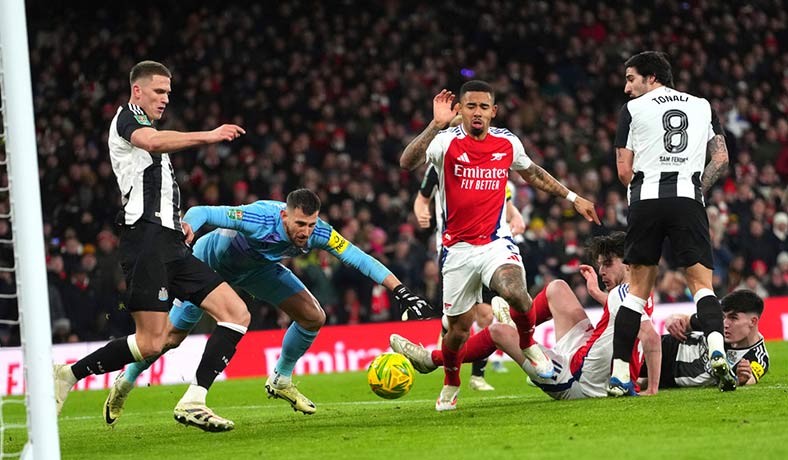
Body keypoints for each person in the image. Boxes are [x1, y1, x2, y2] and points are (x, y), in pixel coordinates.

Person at [103, 188, 434, 424]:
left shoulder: (320, 232)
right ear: (284, 215)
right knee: (169, 338)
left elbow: (358, 258)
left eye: (311, 224)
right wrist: (187, 228)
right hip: (209, 262)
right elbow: (207, 212)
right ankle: (126, 380)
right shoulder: (260, 216)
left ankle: (280, 379)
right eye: (299, 224)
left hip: (256, 270)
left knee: (312, 316)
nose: (306, 232)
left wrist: (401, 290)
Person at [53, 60, 251, 432]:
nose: (164, 99)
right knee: (151, 343)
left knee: (236, 313)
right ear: (137, 91)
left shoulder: (147, 128)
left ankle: (194, 400)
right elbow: (154, 141)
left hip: (171, 242)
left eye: (168, 94)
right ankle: (68, 374)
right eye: (159, 92)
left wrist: (179, 224)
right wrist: (210, 135)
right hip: (144, 241)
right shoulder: (127, 119)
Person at [399, 80, 600, 410]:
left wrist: (573, 197)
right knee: (458, 331)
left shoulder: (507, 143)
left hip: (495, 242)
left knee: (515, 292)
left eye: (483, 107)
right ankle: (451, 381)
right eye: (471, 106)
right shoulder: (446, 142)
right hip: (457, 251)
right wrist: (434, 125)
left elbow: (533, 173)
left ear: (494, 111)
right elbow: (408, 162)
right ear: (460, 110)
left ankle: (528, 345)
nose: (477, 112)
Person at [392, 231, 662, 399]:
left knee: (498, 332)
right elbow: (628, 319)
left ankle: (431, 359)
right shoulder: (637, 292)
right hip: (582, 354)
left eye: (607, 264)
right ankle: (519, 324)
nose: (601, 271)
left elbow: (650, 337)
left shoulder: (623, 294)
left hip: (577, 381)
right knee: (557, 288)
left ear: (627, 265)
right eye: (600, 264)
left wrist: (652, 388)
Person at [608, 51, 734, 396]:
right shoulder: (703, 105)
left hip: (646, 199)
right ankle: (718, 352)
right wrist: (695, 190)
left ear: (651, 78)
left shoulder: (632, 110)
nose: (626, 87)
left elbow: (623, 170)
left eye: (631, 78)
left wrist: (645, 192)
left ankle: (620, 376)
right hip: (688, 200)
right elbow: (720, 158)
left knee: (636, 294)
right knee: (703, 287)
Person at [415, 152, 525, 391]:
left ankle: (477, 375)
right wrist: (420, 211)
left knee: (485, 314)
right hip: (452, 248)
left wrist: (515, 215)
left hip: (488, 246)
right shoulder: (439, 163)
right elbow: (422, 198)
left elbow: (504, 201)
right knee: (462, 318)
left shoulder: (487, 160)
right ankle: (447, 329)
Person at [639, 289, 769, 389]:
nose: (725, 323)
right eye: (724, 317)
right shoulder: (716, 322)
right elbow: (683, 319)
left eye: (733, 318)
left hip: (669, 379)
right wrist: (671, 320)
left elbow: (751, 378)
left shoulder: (758, 356)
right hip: (667, 350)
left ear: (753, 321)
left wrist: (742, 379)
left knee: (632, 383)